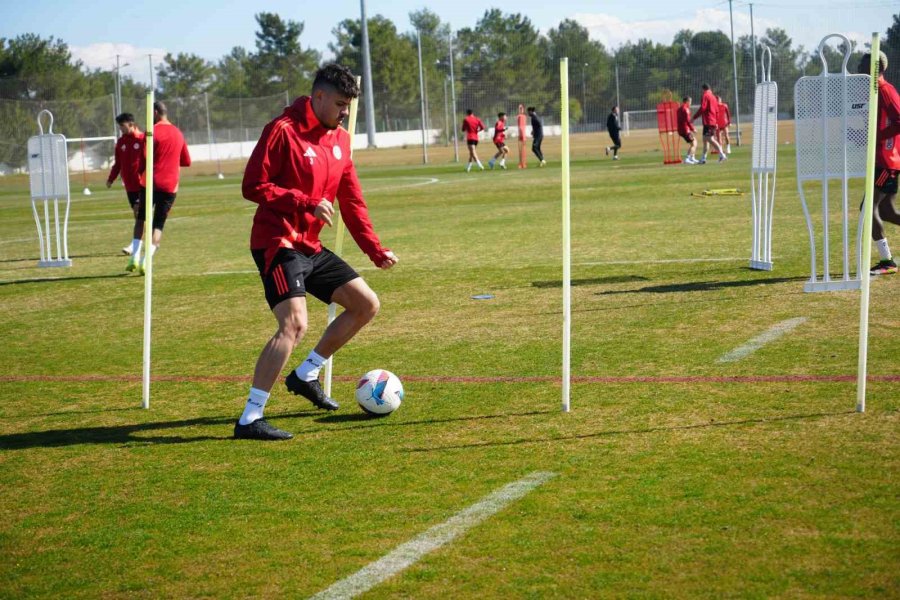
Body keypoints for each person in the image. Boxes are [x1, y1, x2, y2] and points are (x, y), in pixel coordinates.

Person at [236, 64, 399, 440]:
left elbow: (352, 201)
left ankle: (306, 373)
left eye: (349, 105)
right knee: (294, 324)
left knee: (366, 304)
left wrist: (375, 251)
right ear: (319, 96)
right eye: (341, 104)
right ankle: (249, 417)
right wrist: (303, 202)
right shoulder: (282, 131)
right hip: (278, 242)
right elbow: (252, 185)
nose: (345, 112)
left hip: (311, 246)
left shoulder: (341, 141)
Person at [131, 101, 191, 274]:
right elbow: (186, 161)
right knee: (158, 225)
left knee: (141, 219)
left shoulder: (150, 133)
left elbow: (142, 161)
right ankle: (145, 260)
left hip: (149, 183)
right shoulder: (178, 133)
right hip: (170, 186)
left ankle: (134, 257)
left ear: (155, 112)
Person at [859, 51, 900, 275]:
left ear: (875, 68)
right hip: (885, 161)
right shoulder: (873, 92)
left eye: (862, 64)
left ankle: (888, 262)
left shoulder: (885, 91)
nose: (858, 67)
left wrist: (878, 136)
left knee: (868, 209)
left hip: (886, 162)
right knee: (887, 212)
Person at [106, 113, 147, 267]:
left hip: (142, 184)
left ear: (131, 124)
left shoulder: (143, 139)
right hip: (129, 186)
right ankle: (140, 242)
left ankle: (134, 246)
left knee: (139, 213)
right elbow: (118, 164)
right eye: (119, 126)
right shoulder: (121, 142)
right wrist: (111, 178)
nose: (121, 129)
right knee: (138, 216)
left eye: (122, 126)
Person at [692, 84, 726, 164]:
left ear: (703, 89)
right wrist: (716, 122)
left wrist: (694, 117)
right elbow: (717, 111)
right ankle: (703, 158)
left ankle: (722, 154)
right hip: (712, 121)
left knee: (710, 139)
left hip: (708, 121)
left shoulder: (705, 95)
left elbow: (703, 108)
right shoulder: (713, 97)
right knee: (705, 140)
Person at [676, 96, 698, 164]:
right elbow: (688, 121)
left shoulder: (679, 109)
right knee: (694, 144)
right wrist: (693, 129)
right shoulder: (686, 109)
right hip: (685, 130)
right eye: (690, 102)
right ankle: (687, 159)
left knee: (694, 142)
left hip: (680, 129)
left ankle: (692, 158)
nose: (691, 103)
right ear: (687, 101)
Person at [516, 104, 527, 169]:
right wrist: (522, 135)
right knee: (521, 151)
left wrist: (523, 135)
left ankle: (523, 164)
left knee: (523, 151)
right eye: (520, 108)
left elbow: (522, 127)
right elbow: (520, 127)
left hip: (522, 135)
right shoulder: (520, 116)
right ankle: (521, 164)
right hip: (521, 135)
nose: (520, 110)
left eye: (521, 108)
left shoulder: (523, 116)